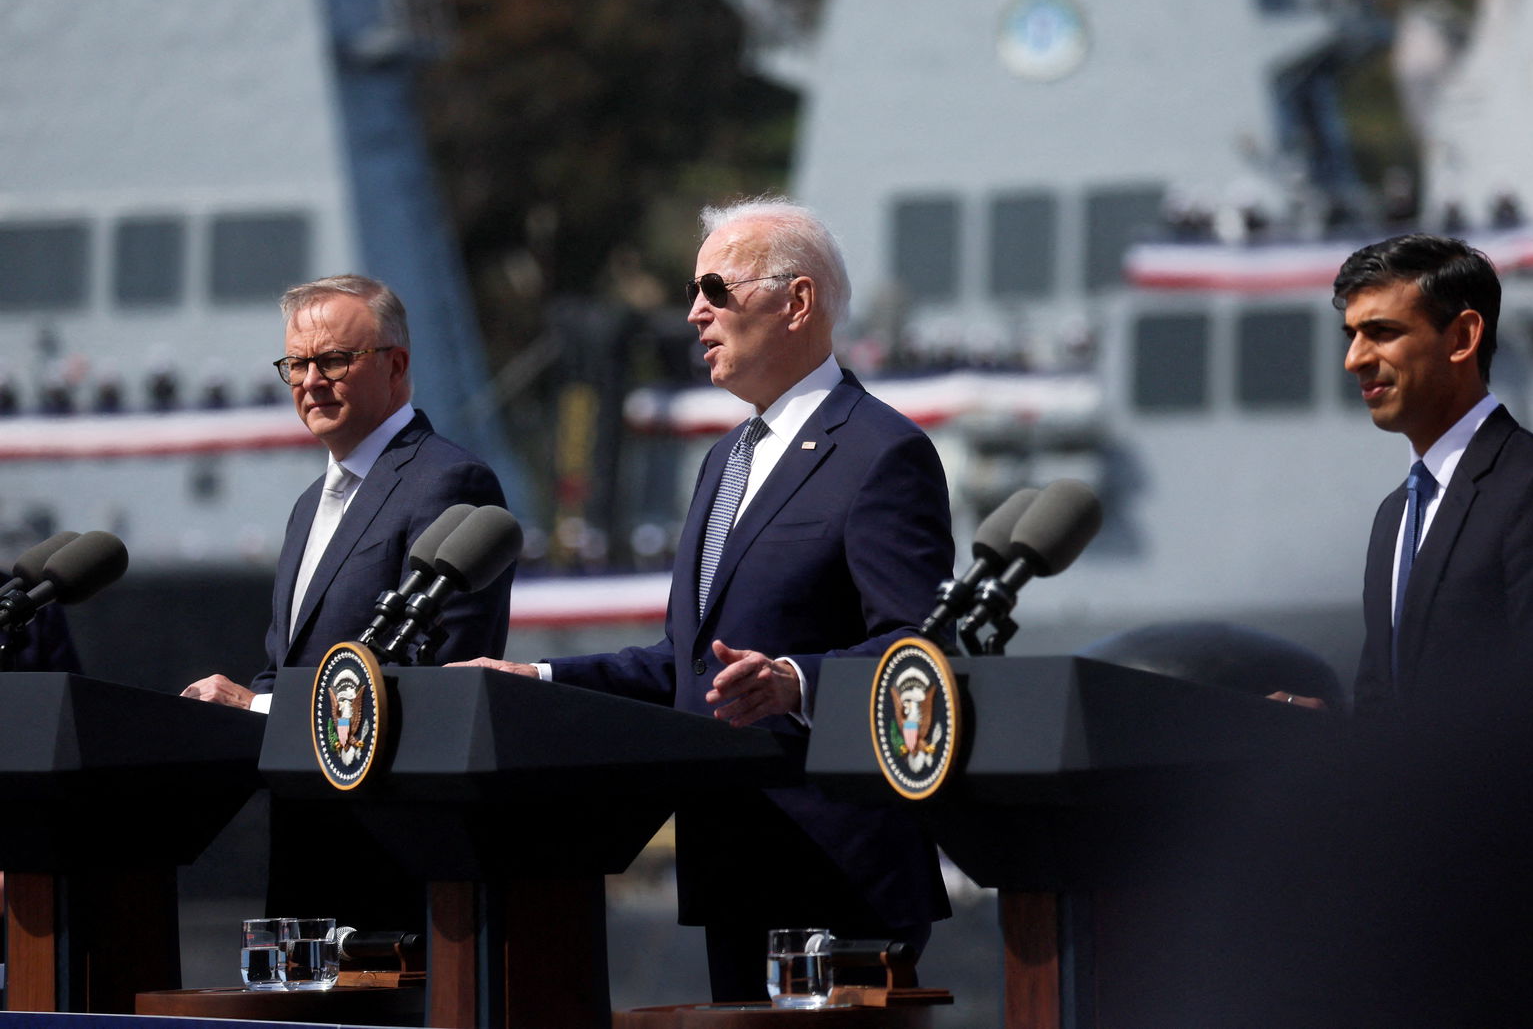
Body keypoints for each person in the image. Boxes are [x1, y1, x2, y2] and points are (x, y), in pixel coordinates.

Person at [460, 197, 954, 1000]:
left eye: (716, 290)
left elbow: (921, 654)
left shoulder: (882, 453)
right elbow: (683, 667)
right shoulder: (724, 462)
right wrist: (540, 682)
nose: (693, 313)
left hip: (842, 878)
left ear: (796, 303)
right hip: (736, 863)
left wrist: (796, 682)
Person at [182, 275, 512, 712]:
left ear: (395, 366)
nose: (311, 381)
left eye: (334, 360)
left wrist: (255, 707)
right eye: (297, 365)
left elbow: (438, 680)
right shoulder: (309, 504)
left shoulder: (449, 482)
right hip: (297, 776)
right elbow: (283, 668)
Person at [1314, 233, 1533, 720]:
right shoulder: (1395, 517)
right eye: (1353, 335)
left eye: (1382, 332)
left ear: (1462, 338)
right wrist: (1326, 724)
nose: (1354, 359)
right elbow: (1391, 709)